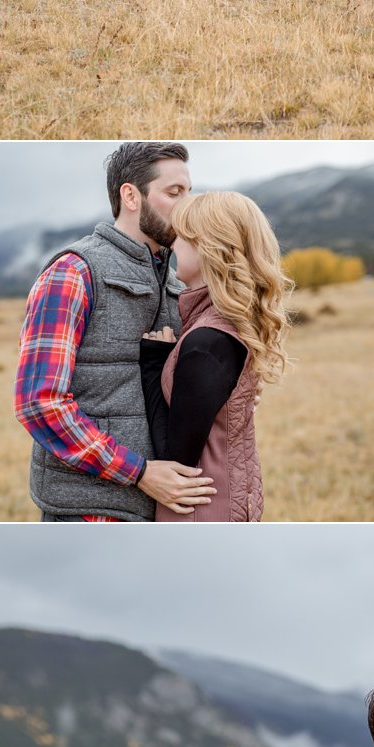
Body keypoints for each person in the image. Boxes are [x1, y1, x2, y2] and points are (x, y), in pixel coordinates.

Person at [15, 141, 214, 522]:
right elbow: (38, 403)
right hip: (88, 512)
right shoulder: (73, 272)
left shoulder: (177, 280)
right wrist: (138, 472)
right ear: (131, 195)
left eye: (189, 192)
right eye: (174, 193)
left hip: (161, 509)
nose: (188, 206)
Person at [138, 190, 291, 522]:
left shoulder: (207, 342)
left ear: (208, 247)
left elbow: (174, 460)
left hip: (198, 511)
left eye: (181, 236)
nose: (172, 245)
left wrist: (153, 363)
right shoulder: (227, 327)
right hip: (223, 500)